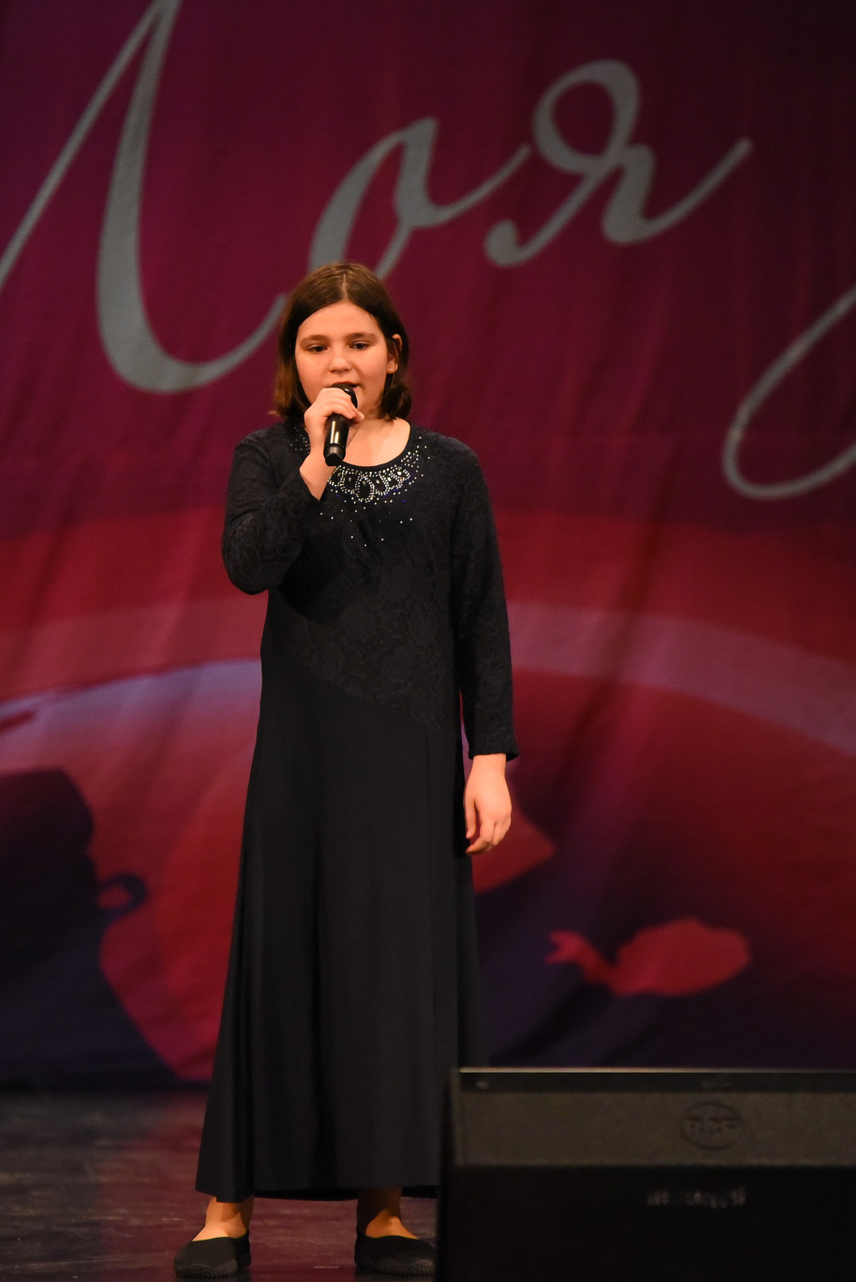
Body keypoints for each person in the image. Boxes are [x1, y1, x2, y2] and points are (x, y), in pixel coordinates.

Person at [175, 263, 517, 1278]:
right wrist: (316, 464)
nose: (340, 361)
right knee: (282, 953)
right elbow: (250, 565)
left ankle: (384, 1210)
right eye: (318, 345)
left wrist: (490, 757)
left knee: (394, 973)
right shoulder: (268, 456)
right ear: (294, 360)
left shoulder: (451, 468)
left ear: (393, 353)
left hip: (410, 753)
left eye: (358, 343)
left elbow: (480, 619)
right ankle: (227, 1210)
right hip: (306, 752)